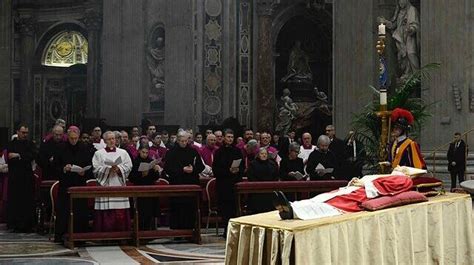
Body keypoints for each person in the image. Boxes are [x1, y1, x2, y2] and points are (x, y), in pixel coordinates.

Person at [274, 169, 416, 220]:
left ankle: (294, 211)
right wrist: (357, 181)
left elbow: (384, 188)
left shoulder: (403, 178)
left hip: (361, 194)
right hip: (354, 188)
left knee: (330, 204)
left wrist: (363, 184)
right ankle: (291, 206)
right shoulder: (391, 174)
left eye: (401, 168)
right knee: (323, 197)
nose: (397, 167)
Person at [54, 126, 92, 242]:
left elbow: (90, 166)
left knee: (80, 211)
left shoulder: (84, 148)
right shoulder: (61, 147)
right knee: (64, 211)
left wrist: (84, 172)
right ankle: (62, 235)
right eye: (71, 138)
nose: (74, 141)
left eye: (76, 138)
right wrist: (64, 169)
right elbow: (55, 166)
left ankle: (80, 236)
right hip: (66, 184)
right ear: (68, 137)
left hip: (80, 184)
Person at [92, 131, 133, 232]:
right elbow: (96, 169)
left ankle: (122, 234)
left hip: (119, 184)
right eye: (109, 139)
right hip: (105, 185)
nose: (112, 141)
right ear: (105, 141)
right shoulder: (98, 153)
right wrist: (108, 169)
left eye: (113, 139)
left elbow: (129, 166)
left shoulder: (123, 152)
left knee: (120, 211)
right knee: (106, 212)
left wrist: (119, 169)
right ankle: (105, 235)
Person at [164, 131, 204, 229]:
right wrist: (182, 170)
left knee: (190, 209)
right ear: (177, 140)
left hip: (191, 184)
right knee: (177, 209)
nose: (184, 143)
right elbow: (168, 169)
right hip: (177, 184)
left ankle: (190, 231)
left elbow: (200, 166)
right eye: (182, 141)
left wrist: (193, 169)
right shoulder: (171, 152)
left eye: (186, 141)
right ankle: (177, 232)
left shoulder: (193, 151)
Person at [212, 129, 244, 238]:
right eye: (228, 137)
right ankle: (226, 229)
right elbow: (215, 170)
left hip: (235, 184)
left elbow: (242, 167)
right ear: (224, 138)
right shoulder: (219, 152)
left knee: (234, 208)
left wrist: (237, 171)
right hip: (223, 184)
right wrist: (228, 171)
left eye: (231, 137)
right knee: (225, 209)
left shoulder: (237, 151)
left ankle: (235, 230)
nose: (230, 139)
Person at [6, 124, 37, 232]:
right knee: (15, 201)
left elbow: (32, 155)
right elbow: (9, 157)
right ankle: (14, 224)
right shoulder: (11, 144)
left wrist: (18, 155)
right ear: (17, 132)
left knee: (27, 201)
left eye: (26, 133)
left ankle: (27, 224)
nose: (25, 135)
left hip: (27, 177)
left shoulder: (30, 144)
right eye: (23, 132)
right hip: (15, 177)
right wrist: (21, 156)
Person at [379, 0, 420, 81]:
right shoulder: (399, 12)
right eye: (399, 1)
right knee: (402, 58)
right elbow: (393, 25)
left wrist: (411, 29)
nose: (400, 3)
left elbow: (415, 24)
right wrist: (385, 22)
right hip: (400, 38)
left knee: (411, 54)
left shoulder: (412, 10)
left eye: (402, 0)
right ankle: (406, 73)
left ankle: (417, 75)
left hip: (409, 37)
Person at [129, 145, 162, 230]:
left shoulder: (151, 161)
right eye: (143, 152)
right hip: (139, 189)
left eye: (147, 153)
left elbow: (156, 177)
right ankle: (139, 230)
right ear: (139, 151)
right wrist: (141, 174)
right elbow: (131, 177)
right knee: (140, 212)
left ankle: (149, 230)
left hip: (150, 188)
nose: (145, 154)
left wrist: (155, 171)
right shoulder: (135, 162)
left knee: (150, 211)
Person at [247, 148, 279, 213]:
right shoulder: (253, 164)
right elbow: (251, 177)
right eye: (262, 154)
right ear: (258, 155)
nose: (264, 155)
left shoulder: (272, 164)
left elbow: (276, 176)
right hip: (257, 193)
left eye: (265, 154)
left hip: (270, 192)